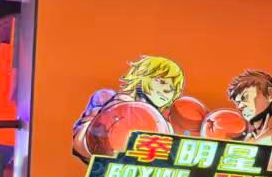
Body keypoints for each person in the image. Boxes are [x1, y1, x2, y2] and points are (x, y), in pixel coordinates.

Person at [71, 54, 207, 161]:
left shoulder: (165, 123)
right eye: (160, 81)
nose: (166, 90)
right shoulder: (110, 101)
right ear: (142, 77)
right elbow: (81, 144)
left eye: (172, 88)